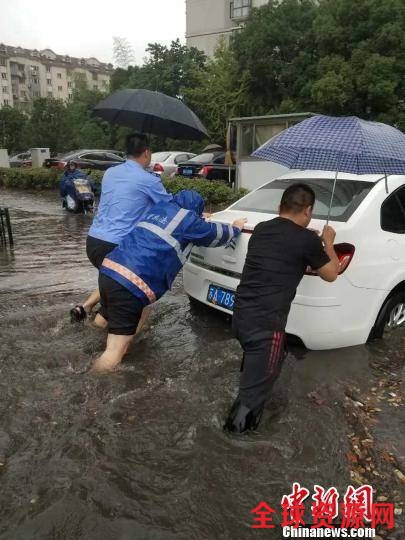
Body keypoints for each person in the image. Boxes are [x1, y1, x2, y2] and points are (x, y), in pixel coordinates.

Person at [223, 183, 340, 435]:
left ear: (280, 208)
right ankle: (235, 443)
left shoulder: (263, 230)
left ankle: (254, 386)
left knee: (266, 364)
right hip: (266, 328)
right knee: (250, 400)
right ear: (308, 211)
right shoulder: (307, 239)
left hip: (241, 317)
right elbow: (331, 274)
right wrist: (328, 242)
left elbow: (283, 251)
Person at [91, 190, 247, 372]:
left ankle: (91, 341)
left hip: (109, 271)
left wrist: (198, 218)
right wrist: (236, 227)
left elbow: (176, 224)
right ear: (194, 211)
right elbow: (217, 234)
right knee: (115, 351)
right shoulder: (190, 223)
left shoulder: (160, 209)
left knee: (112, 315)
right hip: (131, 285)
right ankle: (95, 385)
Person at [70, 133, 172, 323]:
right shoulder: (148, 180)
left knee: (112, 282)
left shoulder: (110, 172)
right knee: (137, 297)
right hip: (116, 248)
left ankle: (84, 308)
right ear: (147, 153)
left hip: (93, 242)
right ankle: (106, 342)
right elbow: (170, 208)